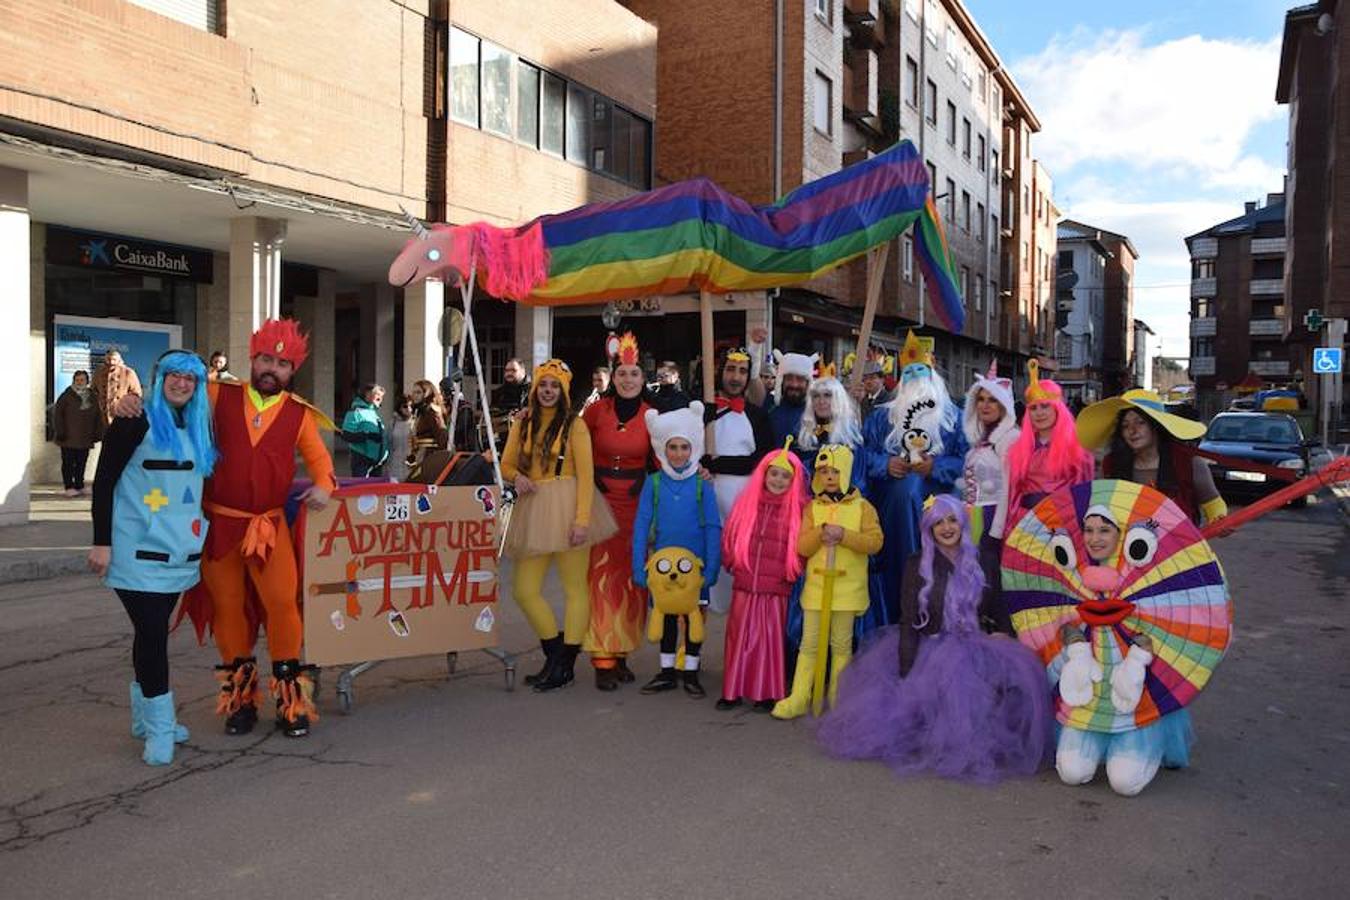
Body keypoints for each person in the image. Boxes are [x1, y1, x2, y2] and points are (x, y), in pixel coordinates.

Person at [119, 320, 337, 738]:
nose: (272, 368)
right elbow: (171, 400)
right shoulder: (218, 393)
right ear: (253, 360)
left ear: (294, 370)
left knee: (283, 608)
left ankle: (292, 705)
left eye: (282, 363)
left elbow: (322, 467)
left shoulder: (300, 414)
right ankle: (240, 703)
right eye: (266, 359)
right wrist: (132, 402)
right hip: (219, 527)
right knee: (228, 612)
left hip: (270, 529)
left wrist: (325, 487)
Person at [816, 495, 1051, 783]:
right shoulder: (917, 564)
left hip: (977, 642)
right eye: (938, 523)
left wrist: (1003, 630)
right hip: (934, 645)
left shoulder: (982, 558)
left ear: (962, 522)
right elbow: (908, 620)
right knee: (936, 695)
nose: (946, 528)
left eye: (952, 520)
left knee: (1013, 681)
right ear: (928, 528)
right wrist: (906, 671)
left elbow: (1000, 603)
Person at [89, 350, 216, 766]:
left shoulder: (199, 424)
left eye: (190, 379)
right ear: (158, 378)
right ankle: (160, 727)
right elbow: (105, 480)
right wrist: (101, 542)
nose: (181, 384)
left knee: (151, 632)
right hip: (134, 549)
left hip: (181, 551)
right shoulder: (133, 419)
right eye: (174, 376)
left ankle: (145, 719)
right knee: (152, 633)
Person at [500, 359, 617, 693]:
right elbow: (506, 464)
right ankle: (554, 654)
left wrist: (582, 521)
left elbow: (586, 477)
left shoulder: (574, 426)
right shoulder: (521, 423)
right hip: (533, 508)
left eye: (555, 386)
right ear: (535, 388)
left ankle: (564, 664)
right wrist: (518, 477)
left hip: (568, 507)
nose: (549, 391)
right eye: (544, 385)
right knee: (524, 590)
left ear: (563, 391)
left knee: (574, 589)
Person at [861, 330, 966, 634]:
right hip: (894, 520)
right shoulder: (881, 419)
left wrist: (936, 467)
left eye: (922, 374)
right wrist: (885, 464)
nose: (916, 382)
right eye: (910, 375)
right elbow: (862, 455)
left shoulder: (953, 418)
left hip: (941, 514)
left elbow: (966, 460)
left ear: (934, 378)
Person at [771, 444, 882, 719]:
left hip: (847, 590)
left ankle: (837, 697)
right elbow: (802, 547)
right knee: (808, 644)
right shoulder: (812, 508)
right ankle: (799, 696)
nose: (830, 476)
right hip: (817, 590)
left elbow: (875, 543)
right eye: (824, 471)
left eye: (835, 470)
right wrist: (821, 533)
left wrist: (844, 535)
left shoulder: (863, 508)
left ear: (846, 472)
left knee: (841, 644)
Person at [632, 402, 722, 698]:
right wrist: (638, 564)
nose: (679, 453)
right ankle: (667, 671)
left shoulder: (702, 485)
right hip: (661, 567)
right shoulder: (654, 484)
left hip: (694, 568)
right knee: (668, 616)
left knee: (694, 616)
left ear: (693, 448)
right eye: (673, 447)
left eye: (685, 447)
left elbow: (712, 526)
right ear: (663, 449)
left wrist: (711, 566)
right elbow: (642, 524)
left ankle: (692, 671)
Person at [582, 333, 655, 690]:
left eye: (635, 374)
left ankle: (622, 652)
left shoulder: (652, 415)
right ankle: (602, 657)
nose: (628, 380)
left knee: (633, 580)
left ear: (643, 379)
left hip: (637, 504)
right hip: (601, 501)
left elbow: (663, 460)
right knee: (601, 578)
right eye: (623, 373)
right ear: (614, 376)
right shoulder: (597, 411)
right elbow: (577, 449)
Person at [718, 440, 807, 712]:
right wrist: (731, 560)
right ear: (763, 474)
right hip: (745, 583)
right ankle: (732, 690)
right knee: (738, 637)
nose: (778, 480)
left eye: (785, 476)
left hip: (775, 587)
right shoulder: (747, 504)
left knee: (769, 641)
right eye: (774, 473)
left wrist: (790, 573)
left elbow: (802, 550)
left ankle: (766, 692)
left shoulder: (799, 511)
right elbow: (731, 537)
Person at [1075, 389, 1227, 526]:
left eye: (1140, 423)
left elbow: (1213, 504)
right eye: (1125, 425)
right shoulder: (1111, 464)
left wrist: (1220, 520)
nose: (1132, 431)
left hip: (1178, 553)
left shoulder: (1189, 463)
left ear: (1156, 426)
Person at [700, 347, 775, 614]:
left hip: (742, 499)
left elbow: (762, 459)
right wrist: (701, 465)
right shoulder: (702, 411)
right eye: (731, 369)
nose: (735, 377)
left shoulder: (757, 416)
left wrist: (718, 462)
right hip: (706, 498)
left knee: (740, 561)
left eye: (742, 371)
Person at [960, 359, 1019, 629]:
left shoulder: (1009, 439)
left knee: (994, 586)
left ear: (1004, 405)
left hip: (994, 520)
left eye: (992, 400)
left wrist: (996, 532)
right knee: (977, 584)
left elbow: (1009, 487)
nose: (984, 405)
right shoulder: (980, 439)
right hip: (973, 518)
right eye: (980, 399)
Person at [1004, 360, 1095, 527]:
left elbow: (1085, 493)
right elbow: (1013, 495)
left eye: (1045, 406)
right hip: (1027, 525)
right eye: (1033, 408)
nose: (1039, 413)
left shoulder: (1077, 449)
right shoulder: (1018, 449)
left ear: (1057, 409)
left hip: (1064, 524)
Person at [52, 369, 102, 496]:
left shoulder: (92, 397)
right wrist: (60, 431)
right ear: (73, 381)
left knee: (81, 462)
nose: (80, 382)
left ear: (87, 381)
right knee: (68, 463)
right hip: (68, 437)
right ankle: (69, 486)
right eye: (77, 380)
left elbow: (97, 415)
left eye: (82, 380)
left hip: (85, 437)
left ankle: (79, 485)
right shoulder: (66, 396)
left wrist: (97, 432)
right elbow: (58, 415)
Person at [767, 350, 817, 445]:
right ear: (781, 380)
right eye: (789, 378)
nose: (794, 384)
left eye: (800, 379)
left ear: (808, 383)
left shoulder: (818, 411)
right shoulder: (770, 405)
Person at [340, 383, 389, 477]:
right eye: (377, 395)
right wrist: (367, 436)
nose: (380, 398)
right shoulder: (355, 412)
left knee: (375, 490)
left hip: (377, 462)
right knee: (362, 489)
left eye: (381, 396)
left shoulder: (372, 413)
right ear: (367, 394)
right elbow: (346, 435)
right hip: (362, 460)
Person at [93, 349, 142, 426]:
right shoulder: (98, 373)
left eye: (114, 359)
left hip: (122, 417)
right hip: (102, 418)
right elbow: (93, 391)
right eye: (109, 359)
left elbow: (136, 394)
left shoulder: (128, 373)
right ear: (105, 359)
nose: (111, 362)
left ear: (119, 360)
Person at [409, 378, 449, 468]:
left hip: (429, 456)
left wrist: (438, 458)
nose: (414, 395)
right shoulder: (419, 411)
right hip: (419, 455)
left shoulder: (432, 411)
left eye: (418, 392)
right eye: (414, 392)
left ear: (427, 393)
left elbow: (442, 436)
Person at [491, 358, 530, 447]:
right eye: (507, 370)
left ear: (523, 371)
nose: (509, 374)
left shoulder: (534, 390)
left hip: (526, 438)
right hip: (503, 439)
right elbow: (493, 413)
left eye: (513, 370)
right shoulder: (499, 392)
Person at [387, 394, 414, 481]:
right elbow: (388, 444)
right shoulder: (392, 423)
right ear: (399, 408)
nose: (409, 409)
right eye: (405, 406)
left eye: (411, 406)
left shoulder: (416, 422)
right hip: (394, 465)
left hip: (411, 464)